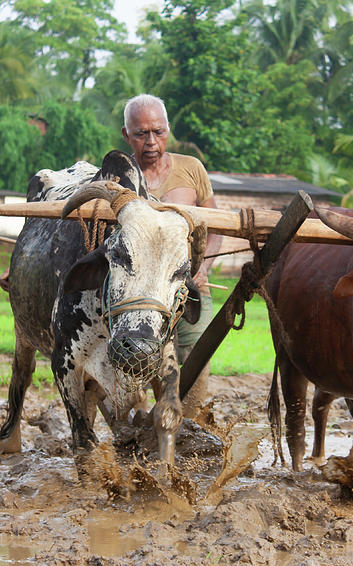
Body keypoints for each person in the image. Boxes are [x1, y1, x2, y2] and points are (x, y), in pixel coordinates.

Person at [121, 94, 221, 416]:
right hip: (139, 297)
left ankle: (188, 425)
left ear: (168, 130)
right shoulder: (116, 178)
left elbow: (217, 228)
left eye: (158, 132)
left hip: (188, 288)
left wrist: (203, 266)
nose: (151, 141)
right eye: (141, 134)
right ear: (126, 135)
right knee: (143, 360)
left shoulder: (192, 170)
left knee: (196, 357)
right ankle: (154, 422)